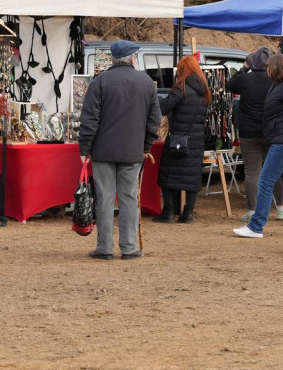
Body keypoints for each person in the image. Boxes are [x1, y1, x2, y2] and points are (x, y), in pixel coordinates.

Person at [78, 40, 161, 260]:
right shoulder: (145, 82)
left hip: (103, 150)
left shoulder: (100, 81)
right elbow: (154, 121)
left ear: (113, 58)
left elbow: (89, 119)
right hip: (132, 151)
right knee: (129, 199)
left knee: (104, 199)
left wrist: (84, 148)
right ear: (133, 57)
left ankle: (105, 248)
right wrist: (145, 146)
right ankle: (129, 247)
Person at [233, 53, 283, 239]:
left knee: (265, 182)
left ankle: (256, 226)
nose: (266, 71)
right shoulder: (280, 85)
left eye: (268, 67)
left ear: (275, 68)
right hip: (282, 140)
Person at [226, 47, 283, 222]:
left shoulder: (245, 79)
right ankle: (281, 207)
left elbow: (228, 84)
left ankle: (252, 211)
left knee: (252, 172)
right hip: (272, 132)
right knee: (277, 170)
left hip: (249, 133)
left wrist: (244, 68)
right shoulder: (276, 79)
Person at [154, 56, 210, 223]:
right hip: (196, 140)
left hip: (177, 138)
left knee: (168, 175)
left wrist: (154, 99)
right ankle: (188, 213)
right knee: (192, 177)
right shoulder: (204, 90)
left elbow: (164, 108)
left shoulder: (181, 88)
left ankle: (169, 212)